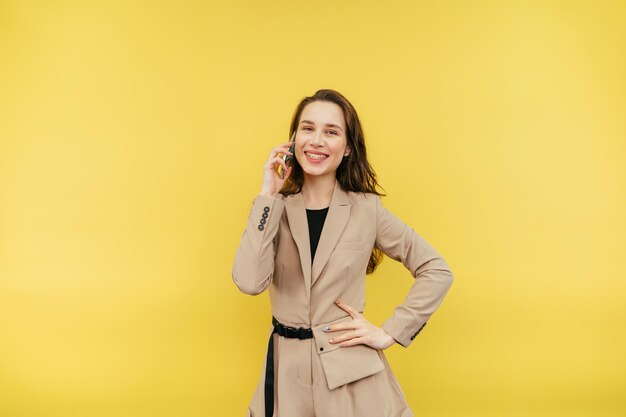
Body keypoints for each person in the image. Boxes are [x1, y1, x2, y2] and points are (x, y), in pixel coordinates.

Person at [232, 89, 454, 417]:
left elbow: (437, 269)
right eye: (308, 129)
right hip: (285, 376)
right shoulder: (274, 210)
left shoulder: (367, 209)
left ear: (348, 147)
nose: (317, 140)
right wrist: (267, 194)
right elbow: (249, 282)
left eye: (331, 132)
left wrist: (391, 331)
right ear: (293, 140)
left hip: (351, 379)